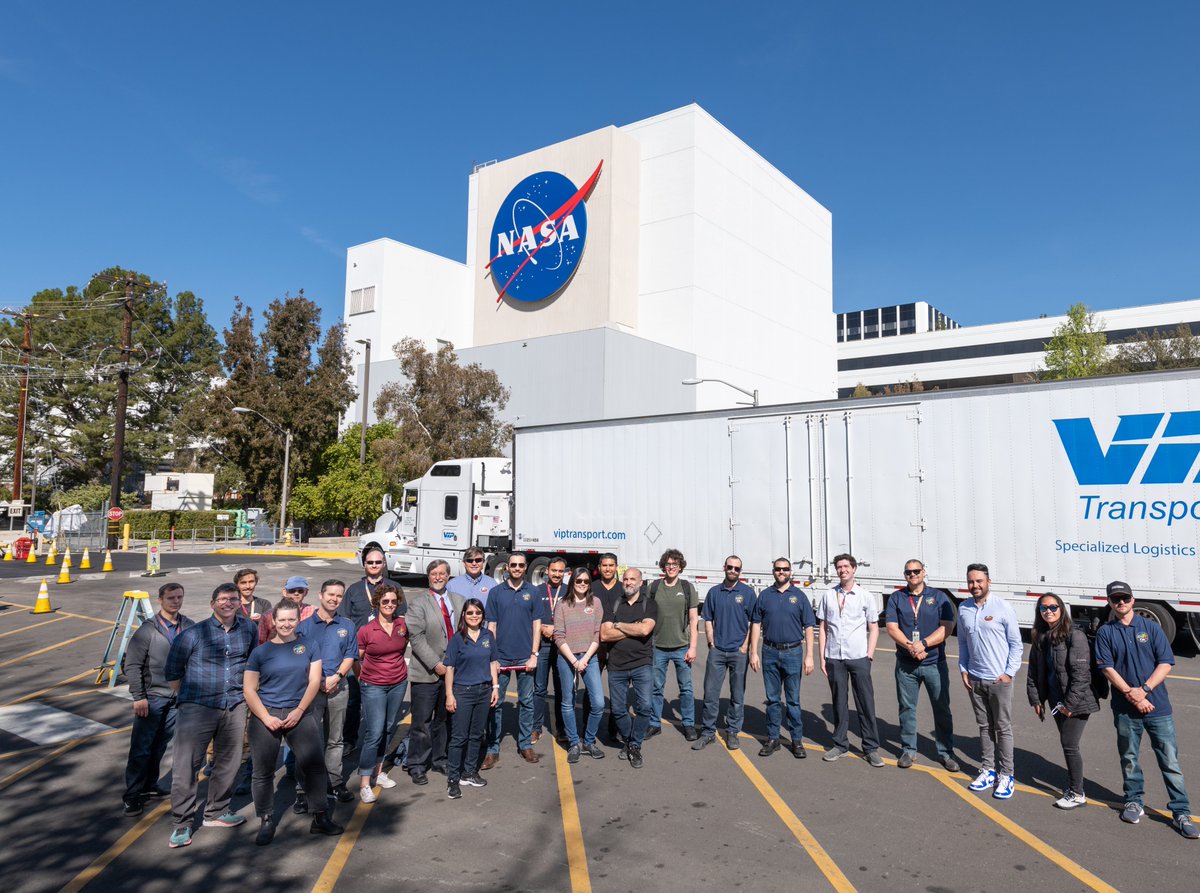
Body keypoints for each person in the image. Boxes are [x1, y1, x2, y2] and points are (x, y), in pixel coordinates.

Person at [1095, 580, 1198, 838]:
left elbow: (1165, 663)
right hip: (1125, 708)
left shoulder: (1150, 627)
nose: (1121, 603)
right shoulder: (1106, 632)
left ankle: (1181, 812)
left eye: (1125, 598)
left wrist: (1144, 690)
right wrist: (1132, 694)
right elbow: (1107, 668)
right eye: (1115, 599)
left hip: (1158, 706)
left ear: (1133, 599)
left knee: (1170, 762)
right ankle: (1134, 801)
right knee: (1129, 758)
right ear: (1109, 602)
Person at [163, 582, 258, 848]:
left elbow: (252, 663)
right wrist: (193, 697)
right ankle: (182, 823)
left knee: (228, 762)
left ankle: (216, 812)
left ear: (240, 603)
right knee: (186, 767)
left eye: (233, 599)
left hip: (234, 705)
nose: (228, 603)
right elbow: (173, 673)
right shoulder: (193, 634)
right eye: (223, 599)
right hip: (197, 707)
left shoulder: (249, 629)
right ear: (212, 603)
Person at [243, 599, 344, 844]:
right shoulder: (261, 652)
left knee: (314, 766)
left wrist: (299, 710)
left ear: (298, 621)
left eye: (291, 619)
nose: (287, 624)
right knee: (263, 771)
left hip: (298, 713)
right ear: (273, 622)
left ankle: (320, 816)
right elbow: (249, 689)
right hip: (265, 715)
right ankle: (266, 819)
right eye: (282, 620)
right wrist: (266, 717)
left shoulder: (309, 645)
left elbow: (314, 681)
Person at [122, 583, 195, 816]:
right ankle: (133, 795)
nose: (176, 601)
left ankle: (149, 785)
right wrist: (139, 696)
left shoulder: (189, 626)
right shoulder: (147, 630)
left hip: (177, 698)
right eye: (171, 597)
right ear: (160, 600)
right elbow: (131, 665)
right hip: (152, 698)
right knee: (141, 748)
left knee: (160, 745)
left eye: (179, 597)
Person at [1026, 592, 1099, 810]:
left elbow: (1081, 675)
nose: (1048, 611)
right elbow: (1033, 671)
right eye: (1043, 608)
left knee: (1069, 745)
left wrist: (1069, 705)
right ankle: (1075, 788)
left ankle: (1077, 793)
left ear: (1061, 609)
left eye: (1053, 607)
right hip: (1056, 701)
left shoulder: (1074, 636)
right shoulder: (1040, 636)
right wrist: (1036, 699)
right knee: (1067, 744)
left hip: (1075, 701)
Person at [884, 560, 959, 771]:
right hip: (906, 665)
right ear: (904, 575)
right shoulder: (897, 598)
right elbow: (891, 627)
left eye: (916, 571)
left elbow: (947, 627)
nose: (912, 575)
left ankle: (946, 753)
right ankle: (908, 750)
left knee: (942, 709)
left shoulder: (938, 597)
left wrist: (924, 644)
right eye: (908, 572)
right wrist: (911, 647)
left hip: (935, 663)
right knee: (907, 708)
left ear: (924, 573)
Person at [958, 563, 1022, 799]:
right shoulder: (963, 608)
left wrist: (1008, 673)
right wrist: (964, 669)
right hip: (975, 678)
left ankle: (1007, 775)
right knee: (984, 727)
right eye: (971, 582)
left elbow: (1016, 644)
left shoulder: (1002, 607)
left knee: (1002, 728)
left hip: (999, 680)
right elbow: (963, 642)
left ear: (988, 582)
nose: (975, 585)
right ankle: (987, 770)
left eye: (979, 581)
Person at [816, 554, 884, 767]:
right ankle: (840, 745)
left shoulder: (865, 596)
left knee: (865, 703)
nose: (842, 570)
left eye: (846, 566)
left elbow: (873, 628)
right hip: (835, 657)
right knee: (839, 703)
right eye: (839, 567)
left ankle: (871, 748)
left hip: (858, 657)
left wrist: (869, 654)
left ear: (854, 569)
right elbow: (824, 628)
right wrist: (822, 657)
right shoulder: (828, 595)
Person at [296, 579, 358, 804]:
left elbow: (350, 656)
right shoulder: (304, 626)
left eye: (339, 596)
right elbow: (299, 658)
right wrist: (318, 680)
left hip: (338, 688)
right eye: (330, 594)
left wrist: (337, 677)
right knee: (308, 741)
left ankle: (334, 782)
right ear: (320, 596)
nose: (334, 599)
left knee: (335, 739)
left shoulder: (347, 625)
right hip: (311, 690)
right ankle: (303, 790)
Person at [404, 559, 465, 785]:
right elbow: (416, 638)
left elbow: (464, 632)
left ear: (449, 576)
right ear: (428, 577)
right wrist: (436, 664)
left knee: (443, 720)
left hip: (452, 672)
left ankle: (440, 759)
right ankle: (417, 764)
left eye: (442, 573)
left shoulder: (459, 601)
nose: (438, 577)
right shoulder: (418, 603)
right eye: (434, 574)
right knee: (421, 723)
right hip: (426, 673)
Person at [749, 559, 815, 758]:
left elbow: (809, 627)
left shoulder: (800, 596)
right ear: (773, 572)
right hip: (769, 651)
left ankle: (796, 740)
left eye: (785, 569)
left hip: (793, 652)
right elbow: (755, 624)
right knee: (773, 700)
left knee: (793, 700)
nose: (781, 572)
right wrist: (753, 651)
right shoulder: (764, 596)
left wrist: (810, 656)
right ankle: (773, 738)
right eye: (778, 569)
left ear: (790, 572)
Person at [483, 553, 542, 769]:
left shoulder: (533, 592)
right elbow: (491, 627)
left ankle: (525, 744)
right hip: (502, 658)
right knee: (496, 703)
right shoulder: (496, 592)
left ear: (526, 568)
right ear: (507, 567)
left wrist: (534, 654)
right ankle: (492, 749)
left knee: (526, 702)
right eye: (513, 565)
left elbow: (537, 625)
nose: (516, 568)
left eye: (520, 565)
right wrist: (493, 658)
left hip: (526, 657)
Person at [693, 555, 755, 751]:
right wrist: (711, 641)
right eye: (730, 567)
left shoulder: (747, 593)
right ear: (724, 567)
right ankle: (708, 732)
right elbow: (708, 618)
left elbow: (754, 621)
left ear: (740, 571)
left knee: (737, 695)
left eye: (737, 568)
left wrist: (746, 647)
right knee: (710, 693)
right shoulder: (714, 592)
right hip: (718, 652)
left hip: (739, 652)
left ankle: (733, 732)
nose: (733, 571)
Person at [355, 582, 409, 803]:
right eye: (385, 601)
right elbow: (356, 658)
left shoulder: (401, 625)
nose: (389, 604)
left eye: (393, 601)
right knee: (374, 732)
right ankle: (365, 782)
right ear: (377, 603)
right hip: (373, 685)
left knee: (388, 728)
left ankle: (379, 771)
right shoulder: (366, 630)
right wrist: (362, 678)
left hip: (398, 683)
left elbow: (402, 648)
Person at [601, 567, 658, 768]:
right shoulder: (614, 604)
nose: (628, 582)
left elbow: (645, 629)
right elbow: (605, 635)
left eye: (633, 579)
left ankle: (634, 745)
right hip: (616, 665)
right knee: (617, 710)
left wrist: (618, 625)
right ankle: (629, 740)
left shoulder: (649, 604)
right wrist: (631, 626)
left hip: (642, 663)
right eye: (625, 579)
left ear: (641, 583)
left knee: (644, 707)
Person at [444, 598, 499, 800]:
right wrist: (449, 694)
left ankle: (469, 773)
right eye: (470, 613)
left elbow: (493, 662)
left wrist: (495, 687)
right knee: (459, 737)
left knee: (477, 735)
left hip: (484, 691)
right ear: (464, 616)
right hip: (463, 692)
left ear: (483, 615)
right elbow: (449, 668)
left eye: (477, 612)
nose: (474, 616)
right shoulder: (458, 639)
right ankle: (453, 778)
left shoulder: (488, 636)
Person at [340, 547, 393, 751]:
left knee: (382, 700)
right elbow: (345, 620)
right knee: (354, 699)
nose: (374, 566)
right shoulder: (354, 589)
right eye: (370, 563)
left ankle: (379, 741)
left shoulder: (393, 587)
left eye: (378, 562)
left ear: (384, 564)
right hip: (358, 654)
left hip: (383, 655)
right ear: (364, 565)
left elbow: (401, 619)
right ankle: (349, 740)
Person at [553, 567, 605, 763]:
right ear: (572, 582)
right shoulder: (562, 605)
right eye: (578, 581)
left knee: (598, 703)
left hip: (589, 657)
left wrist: (585, 659)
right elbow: (558, 635)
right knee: (568, 701)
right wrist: (574, 660)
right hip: (567, 657)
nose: (582, 584)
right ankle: (574, 742)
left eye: (585, 581)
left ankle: (589, 741)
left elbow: (596, 634)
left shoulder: (596, 603)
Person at [647, 549, 699, 741]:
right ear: (663, 566)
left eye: (675, 564)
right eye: (668, 564)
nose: (671, 567)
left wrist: (693, 647)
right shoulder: (653, 587)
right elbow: (646, 616)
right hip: (657, 646)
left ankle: (688, 724)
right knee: (656, 688)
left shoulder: (687, 588)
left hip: (681, 647)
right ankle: (654, 724)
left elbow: (694, 620)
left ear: (680, 567)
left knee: (686, 688)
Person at [532, 556, 568, 745]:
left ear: (565, 572)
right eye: (553, 570)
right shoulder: (537, 591)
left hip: (563, 647)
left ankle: (561, 728)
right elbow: (530, 617)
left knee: (561, 689)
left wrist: (557, 630)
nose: (556, 574)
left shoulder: (569, 591)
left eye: (560, 571)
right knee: (539, 689)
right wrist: (542, 628)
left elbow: (574, 616)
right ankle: (536, 728)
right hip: (543, 646)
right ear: (547, 571)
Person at [592, 552, 622, 740]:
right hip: (595, 646)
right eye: (605, 565)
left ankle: (614, 728)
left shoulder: (623, 588)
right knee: (592, 688)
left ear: (616, 567)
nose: (608, 569)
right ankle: (589, 726)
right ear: (599, 567)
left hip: (618, 647)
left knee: (617, 690)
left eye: (611, 565)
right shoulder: (592, 588)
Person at [259, 575, 317, 644]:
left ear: (306, 592)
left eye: (300, 591)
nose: (296, 593)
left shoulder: (313, 611)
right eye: (292, 590)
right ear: (285, 592)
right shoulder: (268, 615)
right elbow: (261, 641)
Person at [447, 546, 497, 612]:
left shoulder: (492, 584)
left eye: (478, 560)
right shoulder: (452, 585)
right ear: (464, 563)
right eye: (470, 560)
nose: (474, 563)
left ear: (483, 563)